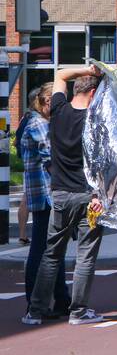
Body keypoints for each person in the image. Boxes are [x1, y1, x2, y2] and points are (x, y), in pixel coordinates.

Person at [23, 65, 105, 326]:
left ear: (76, 90)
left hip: (59, 194)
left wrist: (89, 69)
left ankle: (34, 311)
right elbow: (101, 163)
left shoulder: (58, 111)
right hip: (88, 197)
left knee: (51, 254)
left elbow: (59, 74)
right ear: (92, 94)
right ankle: (78, 312)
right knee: (85, 255)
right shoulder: (96, 122)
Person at [21, 83, 71, 316]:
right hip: (44, 196)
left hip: (46, 195)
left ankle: (61, 299)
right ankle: (35, 302)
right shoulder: (38, 125)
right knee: (42, 249)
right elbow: (52, 155)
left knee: (54, 249)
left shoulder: (40, 123)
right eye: (59, 101)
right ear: (46, 102)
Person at [14, 88, 40, 246]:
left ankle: (23, 235)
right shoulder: (36, 120)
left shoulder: (25, 118)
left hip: (28, 164)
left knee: (26, 198)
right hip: (37, 165)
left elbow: (17, 140)